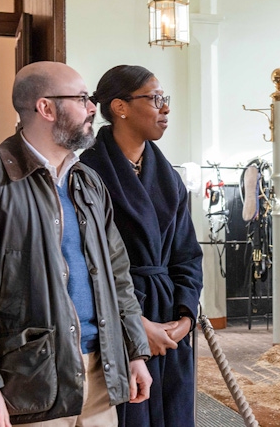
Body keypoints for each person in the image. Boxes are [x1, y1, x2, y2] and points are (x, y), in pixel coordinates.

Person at [0, 61, 153, 427]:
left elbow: (117, 274)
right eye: (83, 99)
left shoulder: (88, 182)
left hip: (101, 374)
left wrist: (134, 352)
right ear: (46, 107)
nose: (91, 109)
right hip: (27, 383)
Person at [80, 65, 203, 427]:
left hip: (167, 318)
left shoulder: (170, 178)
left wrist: (185, 315)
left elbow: (187, 253)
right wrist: (135, 326)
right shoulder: (86, 171)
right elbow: (84, 262)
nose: (165, 108)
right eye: (155, 99)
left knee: (174, 411)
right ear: (120, 107)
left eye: (166, 99)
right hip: (116, 320)